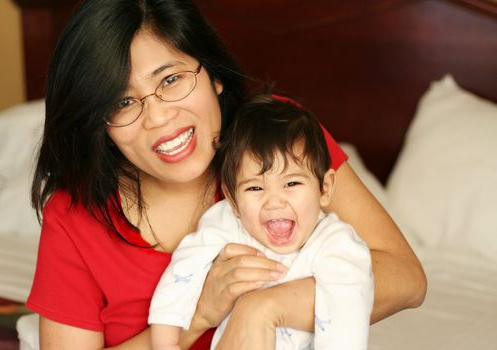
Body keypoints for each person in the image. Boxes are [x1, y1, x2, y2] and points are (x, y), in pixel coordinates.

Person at [26, 0, 426, 349]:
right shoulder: (74, 217)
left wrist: (264, 308)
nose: (159, 117)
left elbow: (406, 278)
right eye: (123, 102)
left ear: (214, 74)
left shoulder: (277, 137)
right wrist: (199, 315)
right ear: (100, 122)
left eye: (171, 79)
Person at [149, 95, 374, 350]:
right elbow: (183, 272)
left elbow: (346, 319)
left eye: (291, 183)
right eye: (255, 188)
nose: (274, 202)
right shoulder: (229, 224)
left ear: (325, 188)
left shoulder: (337, 246)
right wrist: (165, 343)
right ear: (232, 200)